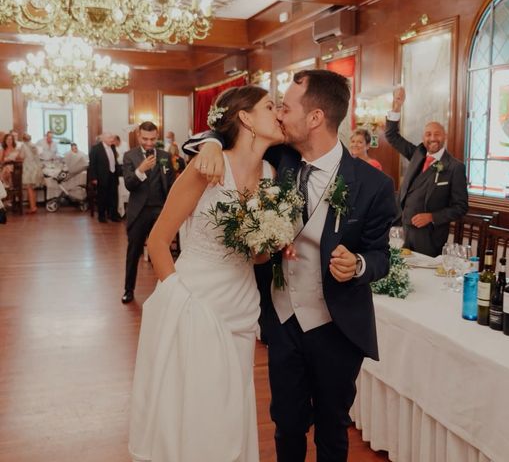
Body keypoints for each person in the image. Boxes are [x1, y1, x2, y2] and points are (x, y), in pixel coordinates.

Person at [189, 70, 398, 462]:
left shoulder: (373, 186)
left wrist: (357, 266)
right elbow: (227, 130)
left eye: (285, 107)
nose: (279, 116)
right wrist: (213, 143)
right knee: (286, 423)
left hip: (336, 326)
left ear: (315, 118)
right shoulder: (278, 157)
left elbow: (380, 256)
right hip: (282, 320)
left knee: (333, 428)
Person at [128, 86, 283, 461]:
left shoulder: (271, 173)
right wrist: (181, 297)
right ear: (245, 118)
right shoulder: (208, 164)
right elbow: (158, 241)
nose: (278, 112)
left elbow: (258, 258)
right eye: (269, 106)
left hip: (241, 304)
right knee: (196, 405)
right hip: (197, 300)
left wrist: (269, 242)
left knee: (230, 408)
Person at [385, 86, 468, 257]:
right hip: (402, 231)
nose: (432, 138)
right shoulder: (417, 153)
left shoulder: (454, 167)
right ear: (423, 137)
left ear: (444, 136)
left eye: (437, 134)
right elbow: (392, 135)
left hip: (429, 237)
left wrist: (432, 216)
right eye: (428, 134)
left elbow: (460, 207)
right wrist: (397, 106)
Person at [121, 122, 175, 304]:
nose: (149, 143)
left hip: (161, 209)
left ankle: (168, 291)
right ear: (138, 136)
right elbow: (129, 184)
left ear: (157, 136)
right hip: (139, 211)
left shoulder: (166, 156)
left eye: (153, 139)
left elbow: (172, 184)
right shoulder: (130, 156)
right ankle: (128, 290)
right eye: (145, 139)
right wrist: (140, 170)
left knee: (162, 253)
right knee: (133, 251)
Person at [88, 133, 120, 223]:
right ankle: (101, 216)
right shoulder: (96, 149)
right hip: (102, 176)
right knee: (102, 197)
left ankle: (113, 215)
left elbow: (114, 161)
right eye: (110, 137)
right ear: (103, 139)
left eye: (112, 137)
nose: (112, 139)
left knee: (114, 196)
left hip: (113, 175)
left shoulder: (113, 147)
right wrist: (94, 178)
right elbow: (92, 165)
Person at [20, 133, 44, 214]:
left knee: (29, 188)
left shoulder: (24, 146)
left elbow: (21, 156)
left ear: (23, 139)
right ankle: (34, 206)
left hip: (28, 168)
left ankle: (32, 207)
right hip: (35, 168)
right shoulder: (34, 146)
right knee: (33, 188)